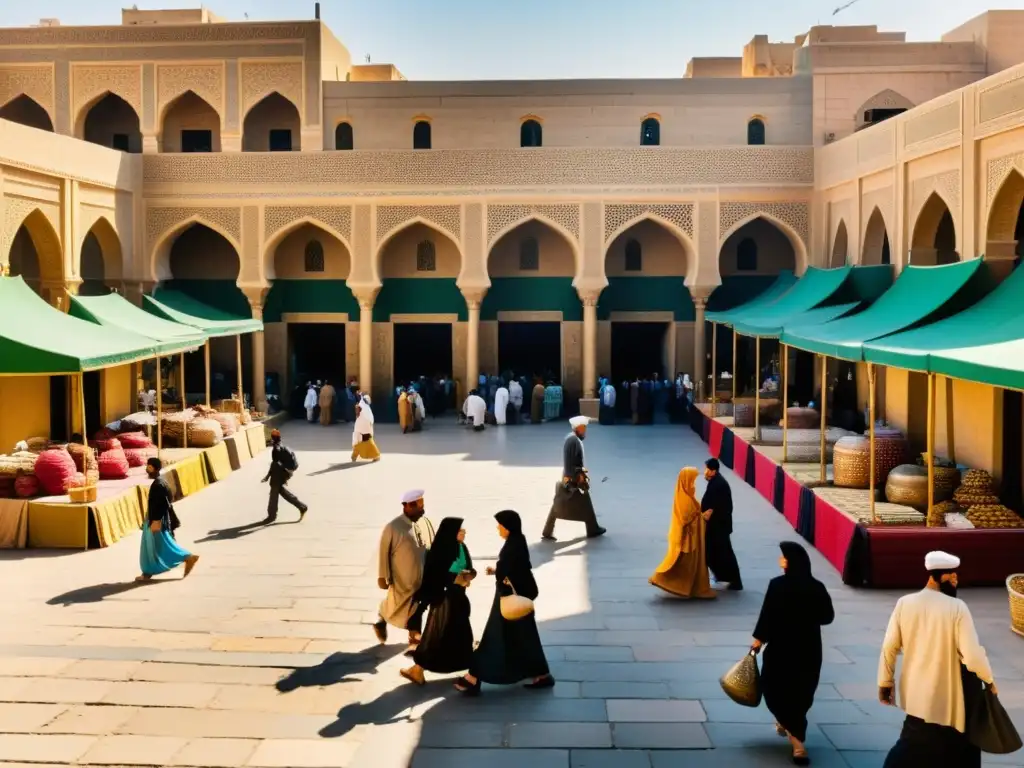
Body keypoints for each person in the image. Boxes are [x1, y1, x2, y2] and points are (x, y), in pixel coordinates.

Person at [879, 551, 995, 768]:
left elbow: (889, 646)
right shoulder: (957, 607)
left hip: (918, 688)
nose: (955, 581)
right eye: (951, 577)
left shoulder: (905, 603)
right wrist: (988, 679)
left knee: (914, 738)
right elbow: (972, 654)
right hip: (955, 690)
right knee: (961, 742)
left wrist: (885, 682)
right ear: (937, 576)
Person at [751, 541, 835, 765]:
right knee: (800, 694)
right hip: (808, 650)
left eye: (783, 557)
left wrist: (758, 641)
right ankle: (790, 728)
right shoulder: (816, 587)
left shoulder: (777, 585)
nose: (780, 560)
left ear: (790, 562)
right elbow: (828, 617)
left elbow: (767, 615)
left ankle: (798, 745)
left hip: (781, 650)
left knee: (774, 687)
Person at [455, 510, 554, 695]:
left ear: (508, 527)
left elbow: (509, 568)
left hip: (508, 598)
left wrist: (499, 571)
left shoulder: (512, 546)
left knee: (494, 637)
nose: (498, 528)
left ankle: (473, 677)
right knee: (525, 637)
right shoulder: (518, 540)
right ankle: (541, 674)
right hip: (519, 598)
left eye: (500, 525)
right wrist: (498, 570)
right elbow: (516, 567)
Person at [400, 517, 476, 685]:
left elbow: (470, 567)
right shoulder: (441, 551)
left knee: (460, 635)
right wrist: (455, 578)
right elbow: (435, 577)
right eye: (460, 530)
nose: (464, 532)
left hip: (459, 599)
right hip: (444, 601)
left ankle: (472, 671)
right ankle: (418, 670)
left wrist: (469, 575)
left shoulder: (462, 547)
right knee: (435, 636)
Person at [374, 489, 436, 650]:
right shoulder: (393, 527)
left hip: (422, 577)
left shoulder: (425, 522)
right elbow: (383, 552)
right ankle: (382, 618)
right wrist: (382, 576)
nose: (422, 511)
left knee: (416, 608)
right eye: (418, 508)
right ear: (407, 507)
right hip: (402, 578)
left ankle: (414, 641)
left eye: (422, 508)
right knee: (399, 606)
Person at [649, 467, 715, 599]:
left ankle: (692, 588)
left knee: (688, 565)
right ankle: (668, 582)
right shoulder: (685, 500)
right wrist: (703, 517)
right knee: (687, 565)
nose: (693, 484)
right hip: (688, 540)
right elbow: (688, 519)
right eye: (692, 481)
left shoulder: (685, 495)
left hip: (691, 538)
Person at [542, 416, 606, 540]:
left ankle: (547, 530)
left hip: (568, 478)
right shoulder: (574, 441)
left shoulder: (571, 439)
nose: (585, 431)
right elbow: (573, 463)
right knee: (581, 502)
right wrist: (578, 479)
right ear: (579, 428)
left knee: (558, 504)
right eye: (584, 428)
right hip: (573, 480)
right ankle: (592, 529)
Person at [138, 457, 199, 582]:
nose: (147, 470)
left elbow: (164, 504)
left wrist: (156, 520)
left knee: (161, 546)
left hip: (156, 520)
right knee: (154, 546)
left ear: (156, 468)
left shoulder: (159, 484)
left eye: (149, 468)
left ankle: (187, 557)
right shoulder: (160, 482)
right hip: (154, 519)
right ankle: (147, 572)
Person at [702, 457, 743, 590]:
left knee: (723, 553)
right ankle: (723, 576)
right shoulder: (715, 482)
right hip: (718, 525)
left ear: (714, 471)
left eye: (707, 470)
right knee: (717, 552)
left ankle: (734, 580)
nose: (705, 472)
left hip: (718, 526)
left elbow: (713, 508)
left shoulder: (718, 484)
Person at [261, 429, 307, 523]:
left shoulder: (276, 449)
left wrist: (268, 476)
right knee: (280, 491)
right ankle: (301, 507)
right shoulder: (283, 446)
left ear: (273, 439)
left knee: (274, 492)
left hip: (280, 473)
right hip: (285, 471)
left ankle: (272, 516)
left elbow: (274, 464)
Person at [351, 395, 381, 462]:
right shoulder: (365, 408)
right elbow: (369, 419)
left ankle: (354, 456)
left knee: (358, 441)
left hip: (359, 427)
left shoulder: (361, 405)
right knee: (368, 441)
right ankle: (376, 456)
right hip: (365, 429)